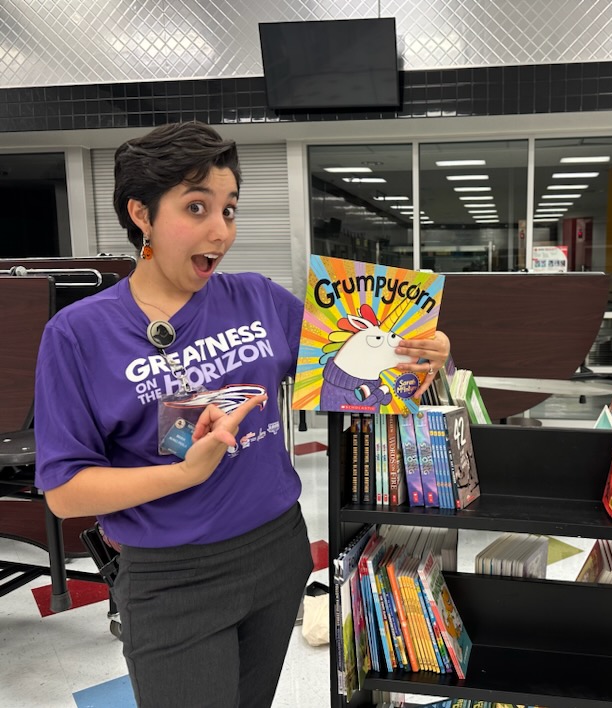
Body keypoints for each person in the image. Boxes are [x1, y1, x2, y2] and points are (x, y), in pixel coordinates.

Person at [33, 121, 450, 707]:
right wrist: (183, 473)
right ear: (142, 215)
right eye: (196, 207)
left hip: (277, 553)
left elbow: (346, 381)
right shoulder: (78, 333)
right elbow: (66, 492)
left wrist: (421, 356)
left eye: (229, 210)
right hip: (171, 577)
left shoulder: (257, 298)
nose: (219, 231)